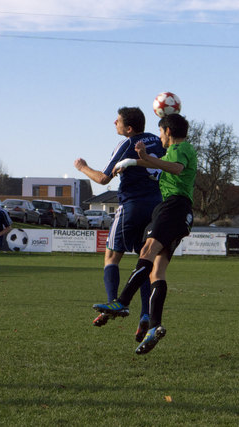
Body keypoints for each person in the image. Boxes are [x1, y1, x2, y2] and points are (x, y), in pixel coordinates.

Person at [92, 113, 196, 355]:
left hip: (172, 207)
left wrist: (144, 158)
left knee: (146, 251)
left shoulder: (180, 148)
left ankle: (122, 301)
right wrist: (135, 162)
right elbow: (161, 165)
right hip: (180, 212)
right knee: (156, 271)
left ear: (168, 131)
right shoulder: (177, 150)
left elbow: (177, 168)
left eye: (160, 132)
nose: (159, 136)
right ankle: (154, 326)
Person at [74, 106, 166, 342]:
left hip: (132, 206)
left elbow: (104, 178)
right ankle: (145, 314)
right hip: (156, 205)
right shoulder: (158, 140)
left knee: (111, 256)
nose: (114, 122)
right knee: (144, 261)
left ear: (129, 128)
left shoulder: (128, 143)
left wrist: (82, 167)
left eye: (118, 120)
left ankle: (116, 303)